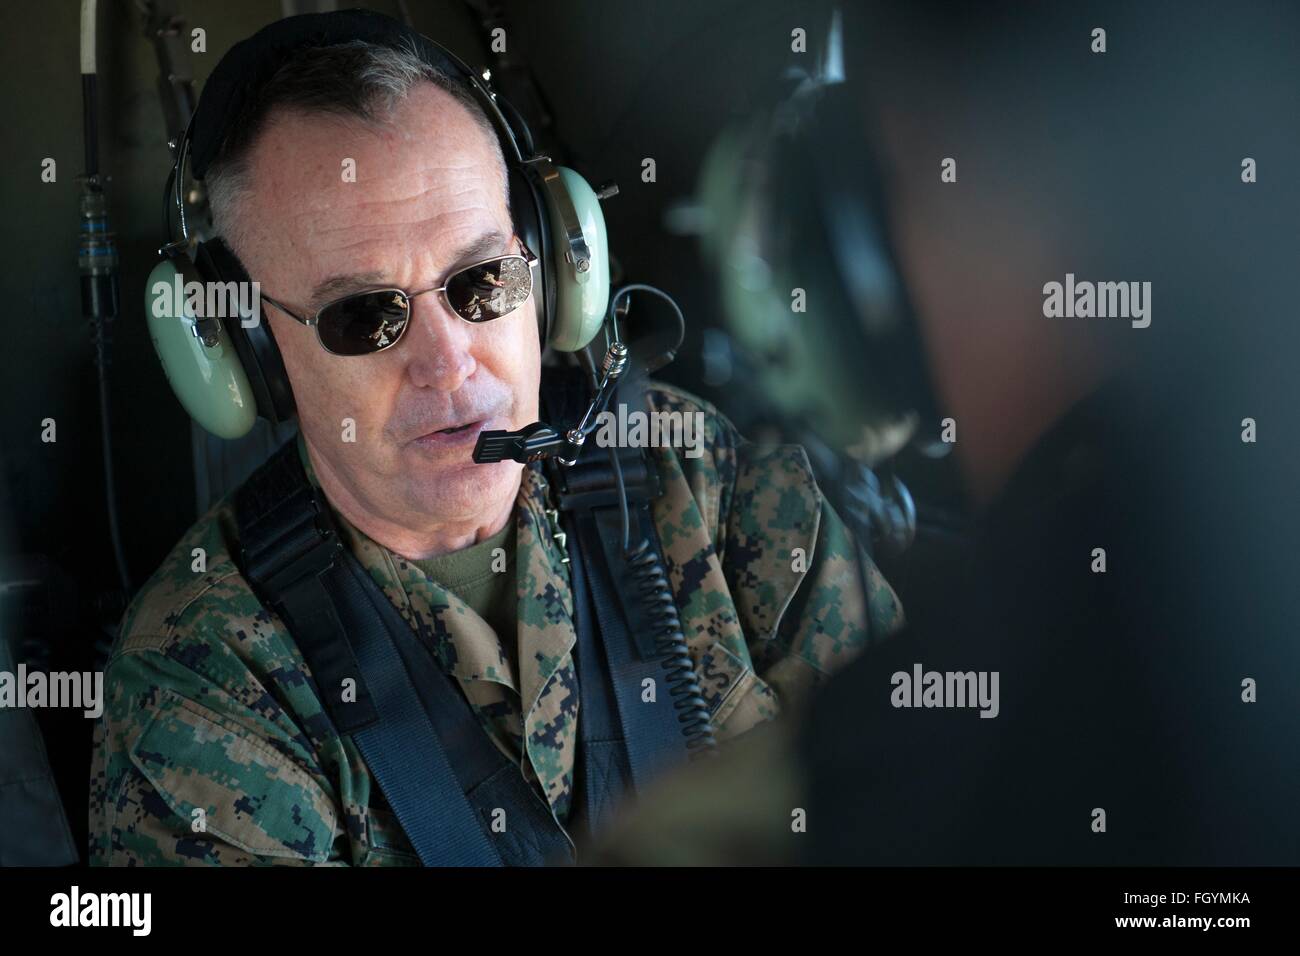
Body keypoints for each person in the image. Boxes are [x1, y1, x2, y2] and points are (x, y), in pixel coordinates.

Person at [87, 11, 903, 866]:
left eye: (484, 280)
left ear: (550, 268)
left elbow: (934, 796)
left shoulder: (696, 473)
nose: (447, 363)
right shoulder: (199, 684)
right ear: (240, 354)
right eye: (364, 316)